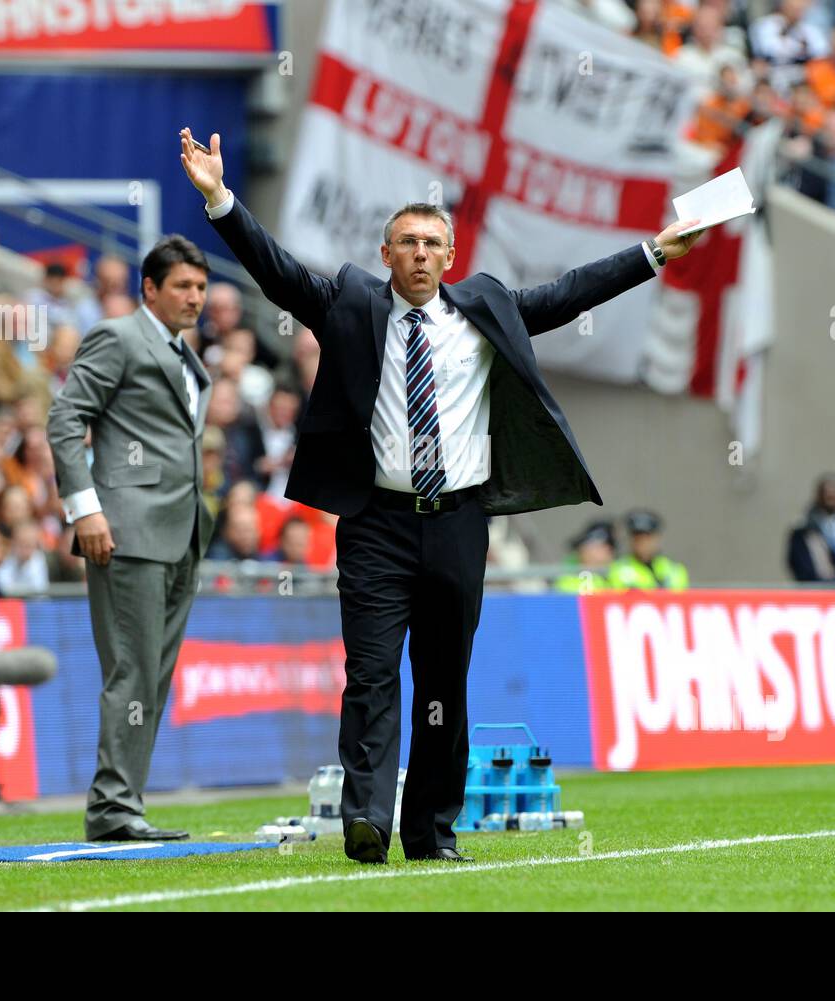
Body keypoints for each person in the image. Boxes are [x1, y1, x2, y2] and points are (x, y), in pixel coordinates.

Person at [180, 126, 704, 864]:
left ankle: (430, 831)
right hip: (376, 523)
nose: (420, 253)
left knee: (442, 684)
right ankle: (366, 817)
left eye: (432, 242)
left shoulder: (484, 310)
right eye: (407, 242)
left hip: (457, 524)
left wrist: (652, 252)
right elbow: (279, 273)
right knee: (368, 673)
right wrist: (221, 200)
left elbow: (568, 292)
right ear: (386, 254)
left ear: (450, 256)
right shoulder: (352, 304)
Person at [46, 234, 215, 842]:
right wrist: (83, 508)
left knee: (152, 675)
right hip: (125, 532)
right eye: (182, 287)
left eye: (200, 287)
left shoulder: (185, 354)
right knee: (133, 672)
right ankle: (114, 808)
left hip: (180, 534)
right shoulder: (119, 337)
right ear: (149, 288)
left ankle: (122, 804)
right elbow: (67, 419)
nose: (195, 297)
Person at [787, 473, 835, 585]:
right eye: (828, 495)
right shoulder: (805, 528)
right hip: (822, 590)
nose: (831, 499)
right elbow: (801, 564)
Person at [610, 510, 689, 590]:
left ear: (657, 539)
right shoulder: (617, 570)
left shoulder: (674, 570)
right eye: (638, 538)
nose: (643, 543)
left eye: (647, 538)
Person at [556, 521, 617, 594]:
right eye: (600, 546)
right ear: (582, 551)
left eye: (610, 545)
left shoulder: (618, 574)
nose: (608, 550)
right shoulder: (568, 582)